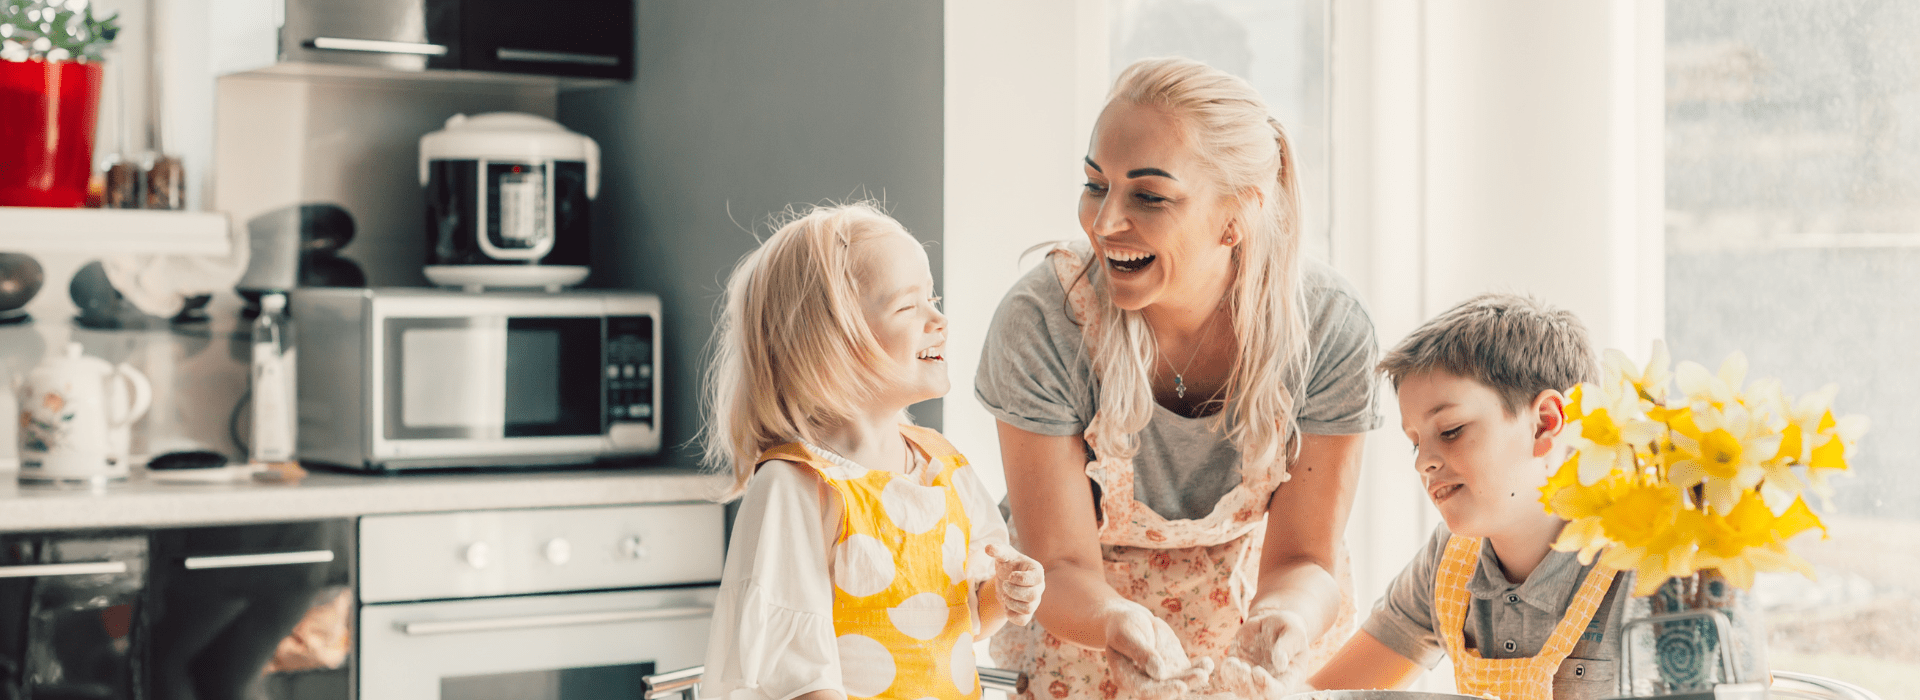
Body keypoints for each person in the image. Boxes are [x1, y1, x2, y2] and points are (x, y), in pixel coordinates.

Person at [977, 57, 1382, 699]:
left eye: (1149, 196)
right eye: (1094, 184)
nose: (1104, 223)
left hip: (1253, 617)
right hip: (1086, 629)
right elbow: (1059, 562)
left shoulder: (1327, 326)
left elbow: (1306, 559)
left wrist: (1285, 621)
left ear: (1237, 215)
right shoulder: (1042, 322)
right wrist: (1120, 622)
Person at [700, 202, 1047, 700]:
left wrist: (1004, 594)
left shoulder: (944, 466)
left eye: (934, 298)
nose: (939, 319)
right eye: (909, 306)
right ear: (831, 344)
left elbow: (967, 618)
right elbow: (794, 676)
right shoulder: (799, 485)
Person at [1308, 293, 1632, 700]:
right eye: (1414, 443)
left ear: (1545, 424)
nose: (1423, 462)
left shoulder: (1639, 563)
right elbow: (1324, 695)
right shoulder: (1450, 561)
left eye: (1450, 430)